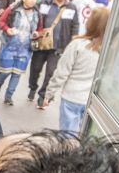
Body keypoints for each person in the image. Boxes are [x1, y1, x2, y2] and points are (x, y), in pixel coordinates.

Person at [45, 7, 110, 135]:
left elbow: (62, 72)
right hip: (91, 102)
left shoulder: (78, 44)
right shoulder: (108, 50)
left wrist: (49, 93)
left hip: (72, 98)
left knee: (67, 137)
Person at [28, 0, 79, 108]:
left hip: (58, 46)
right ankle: (33, 86)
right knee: (35, 69)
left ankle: (42, 96)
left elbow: (75, 25)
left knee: (50, 73)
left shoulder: (71, 7)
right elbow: (33, 16)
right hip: (41, 44)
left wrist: (73, 41)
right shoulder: (44, 3)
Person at [0, 0, 39, 105]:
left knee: (17, 73)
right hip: (9, 45)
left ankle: (9, 96)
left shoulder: (37, 13)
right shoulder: (13, 9)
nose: (33, 1)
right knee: (5, 72)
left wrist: (37, 33)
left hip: (25, 48)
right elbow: (1, 21)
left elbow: (39, 28)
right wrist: (7, 29)